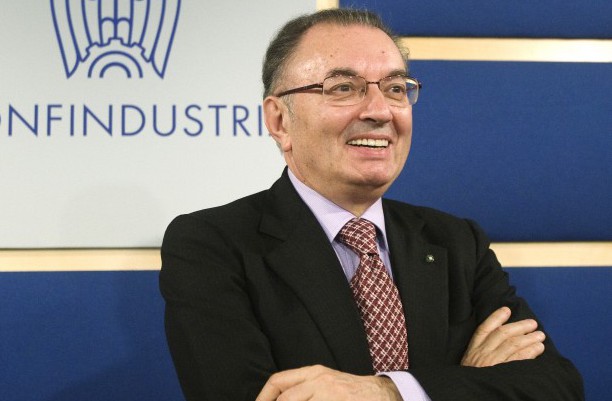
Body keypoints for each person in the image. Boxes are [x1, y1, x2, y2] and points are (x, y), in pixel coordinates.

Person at [160, 8, 584, 401]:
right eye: (344, 88)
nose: (381, 111)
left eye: (396, 89)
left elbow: (556, 387)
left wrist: (388, 392)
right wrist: (462, 380)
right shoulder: (211, 246)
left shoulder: (456, 241)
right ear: (279, 120)